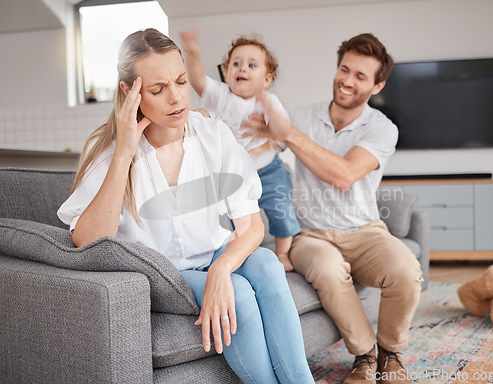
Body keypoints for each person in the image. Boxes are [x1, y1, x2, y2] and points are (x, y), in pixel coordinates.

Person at [57, 28, 314, 384]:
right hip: (166, 273)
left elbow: (252, 225)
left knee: (268, 262)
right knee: (238, 294)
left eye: (181, 81)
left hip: (212, 255)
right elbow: (88, 240)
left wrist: (222, 268)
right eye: (159, 89)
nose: (177, 98)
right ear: (129, 91)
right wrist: (125, 154)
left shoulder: (213, 135)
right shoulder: (108, 154)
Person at [243, 33, 423, 384]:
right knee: (327, 269)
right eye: (344, 69)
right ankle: (364, 356)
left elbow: (344, 176)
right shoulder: (303, 115)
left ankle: (390, 353)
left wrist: (290, 135)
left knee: (406, 270)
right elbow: (262, 151)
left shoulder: (382, 128)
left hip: (366, 230)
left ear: (377, 85)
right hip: (310, 235)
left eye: (360, 76)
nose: (347, 81)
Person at [179, 30, 300, 271]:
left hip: (268, 169)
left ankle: (283, 253)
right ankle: (244, 253)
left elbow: (282, 131)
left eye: (251, 65)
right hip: (237, 174)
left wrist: (265, 103)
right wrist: (192, 54)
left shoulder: (268, 101)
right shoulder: (221, 96)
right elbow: (198, 80)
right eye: (236, 63)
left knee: (281, 209)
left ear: (267, 79)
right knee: (237, 218)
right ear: (226, 71)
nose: (242, 69)